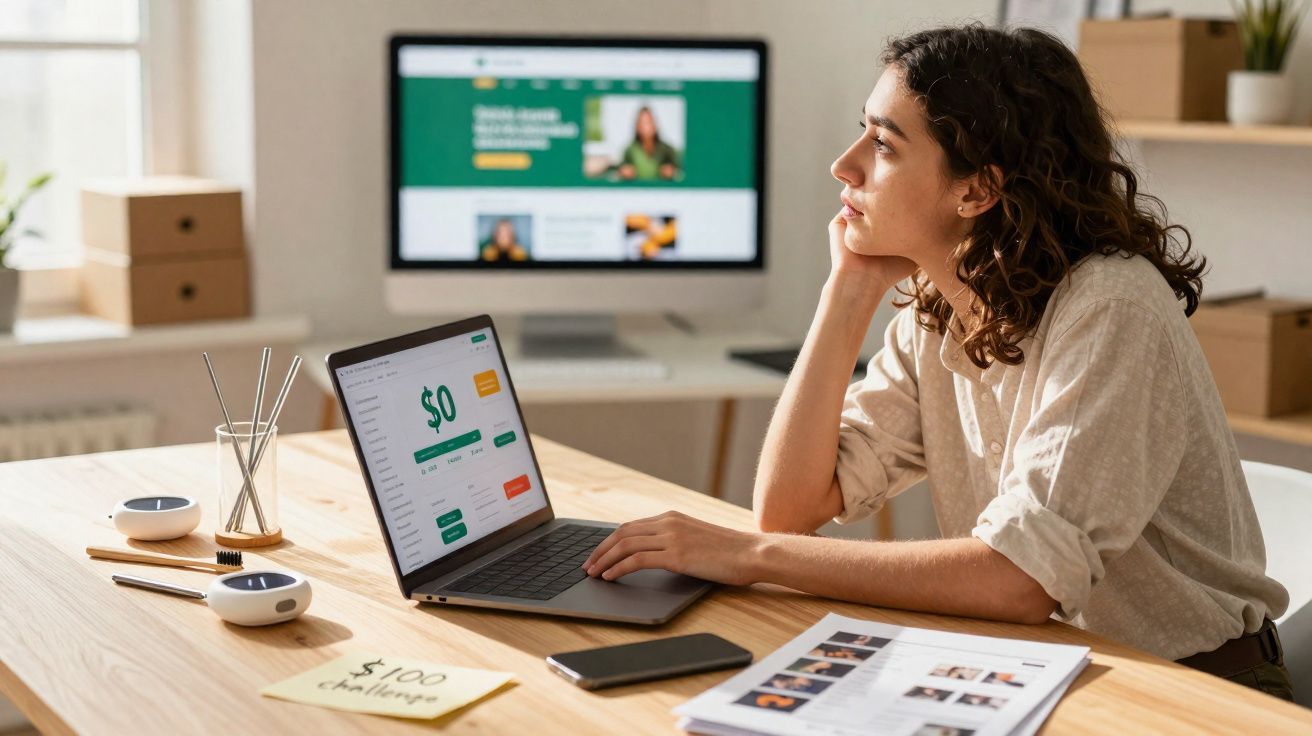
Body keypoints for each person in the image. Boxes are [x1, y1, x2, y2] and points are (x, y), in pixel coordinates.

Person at [580, 24, 1292, 700]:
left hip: (1192, 690)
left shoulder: (1111, 307)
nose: (845, 164)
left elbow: (1020, 581)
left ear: (976, 190)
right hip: (1041, 669)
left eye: (884, 146)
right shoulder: (943, 300)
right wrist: (847, 294)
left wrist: (745, 555)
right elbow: (789, 507)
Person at [618, 106, 680, 181]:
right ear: (637, 126)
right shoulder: (629, 150)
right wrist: (625, 173)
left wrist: (671, 172)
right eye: (642, 123)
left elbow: (678, 171)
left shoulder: (667, 150)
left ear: (654, 124)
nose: (646, 127)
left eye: (648, 122)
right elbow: (621, 170)